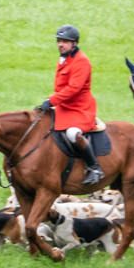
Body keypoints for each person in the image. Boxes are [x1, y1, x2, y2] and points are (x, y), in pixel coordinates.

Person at [41, 25, 103, 186]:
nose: (60, 44)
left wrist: (52, 100)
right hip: (64, 106)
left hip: (80, 109)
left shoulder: (82, 61)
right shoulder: (64, 58)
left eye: (65, 41)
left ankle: (94, 168)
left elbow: (73, 89)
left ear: (74, 43)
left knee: (72, 133)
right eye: (59, 41)